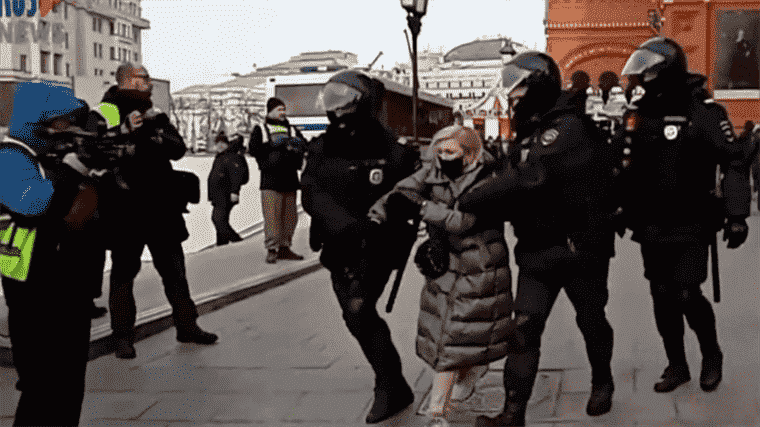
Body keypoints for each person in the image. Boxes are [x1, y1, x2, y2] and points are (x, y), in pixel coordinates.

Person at [456, 52, 618, 426]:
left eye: (519, 87)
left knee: (591, 319)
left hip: (579, 248)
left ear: (539, 86)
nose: (512, 96)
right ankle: (513, 415)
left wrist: (472, 199)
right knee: (524, 329)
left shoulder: (566, 128)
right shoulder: (530, 129)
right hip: (537, 249)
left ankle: (603, 381)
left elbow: (530, 179)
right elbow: (507, 178)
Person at [615, 37, 753, 394]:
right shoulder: (638, 113)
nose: (639, 81)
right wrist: (616, 208)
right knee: (661, 294)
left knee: (688, 293)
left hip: (693, 219)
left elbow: (733, 163)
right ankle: (676, 364)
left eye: (645, 72)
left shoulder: (704, 112)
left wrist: (738, 214)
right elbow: (623, 166)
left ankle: (711, 354)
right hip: (650, 221)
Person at [368, 125, 513, 427]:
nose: (443, 158)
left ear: (470, 154)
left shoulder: (489, 181)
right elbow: (404, 190)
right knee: (450, 337)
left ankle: (439, 411)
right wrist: (381, 212)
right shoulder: (433, 170)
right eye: (439, 151)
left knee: (458, 338)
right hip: (444, 263)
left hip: (480, 267)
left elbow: (463, 221)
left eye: (450, 152)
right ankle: (458, 386)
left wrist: (421, 207)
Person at [300, 69, 419, 424]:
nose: (335, 110)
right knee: (356, 320)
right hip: (339, 245)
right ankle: (396, 384)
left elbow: (410, 196)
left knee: (358, 309)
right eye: (331, 101)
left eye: (343, 101)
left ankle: (387, 386)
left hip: (378, 246)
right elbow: (311, 194)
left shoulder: (393, 151)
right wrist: (346, 226)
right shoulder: (320, 148)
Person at [91, 63, 218, 359]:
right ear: (127, 81)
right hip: (124, 207)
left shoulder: (155, 113)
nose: (149, 82)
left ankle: (187, 325)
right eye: (143, 78)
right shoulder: (105, 112)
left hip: (161, 207)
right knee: (124, 273)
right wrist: (123, 133)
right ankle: (122, 336)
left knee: (175, 270)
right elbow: (95, 150)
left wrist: (150, 135)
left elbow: (177, 148)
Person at [0, 82, 102, 425]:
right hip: (33, 293)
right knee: (42, 388)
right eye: (62, 122)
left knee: (70, 386)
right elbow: (33, 204)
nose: (70, 130)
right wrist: (70, 170)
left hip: (68, 286)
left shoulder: (49, 159)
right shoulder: (10, 158)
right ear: (36, 121)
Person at [248, 98, 306, 264]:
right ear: (270, 111)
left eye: (283, 109)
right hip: (270, 180)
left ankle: (285, 247)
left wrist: (298, 146)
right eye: (279, 109)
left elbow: (304, 145)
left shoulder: (292, 129)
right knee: (272, 217)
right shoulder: (262, 128)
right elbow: (254, 150)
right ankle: (272, 249)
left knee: (290, 218)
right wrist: (273, 145)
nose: (282, 112)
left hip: (290, 179)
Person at [209, 133, 249, 245]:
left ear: (227, 144)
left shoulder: (230, 156)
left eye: (222, 143)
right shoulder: (222, 156)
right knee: (221, 220)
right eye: (217, 143)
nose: (219, 146)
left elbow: (236, 176)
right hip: (219, 194)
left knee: (218, 219)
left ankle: (237, 242)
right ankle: (222, 245)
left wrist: (234, 191)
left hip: (226, 194)